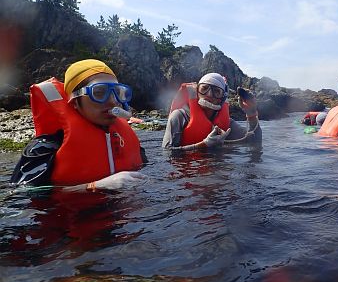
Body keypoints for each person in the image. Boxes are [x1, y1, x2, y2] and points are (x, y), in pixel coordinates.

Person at [10, 59, 147, 190]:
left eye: (117, 93)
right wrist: (92, 186)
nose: (112, 101)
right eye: (99, 93)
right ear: (75, 101)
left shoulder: (129, 139)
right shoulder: (45, 147)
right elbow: (20, 194)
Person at [162, 73, 262, 150]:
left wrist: (251, 113)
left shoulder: (228, 125)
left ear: (222, 99)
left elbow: (255, 142)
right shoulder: (179, 117)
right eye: (204, 88)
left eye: (216, 91)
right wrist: (203, 144)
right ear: (197, 92)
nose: (209, 94)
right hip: (187, 175)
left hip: (218, 174)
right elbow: (167, 152)